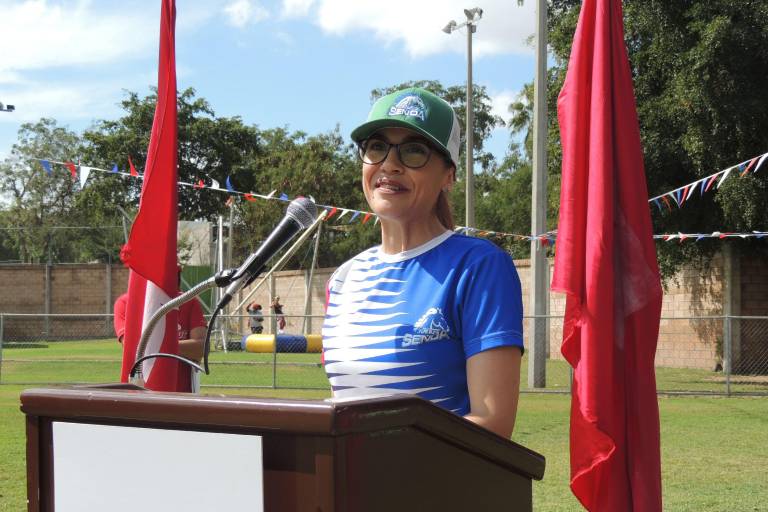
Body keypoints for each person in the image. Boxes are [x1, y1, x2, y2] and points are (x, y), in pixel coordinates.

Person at [322, 87, 524, 439]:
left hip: (433, 492)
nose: (389, 164)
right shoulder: (343, 279)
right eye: (376, 147)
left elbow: (492, 425)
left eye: (414, 150)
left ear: (449, 175)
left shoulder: (478, 267)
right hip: (350, 490)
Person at [113, 267, 207, 393]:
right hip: (137, 390)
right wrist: (174, 347)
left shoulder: (189, 302)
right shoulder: (126, 303)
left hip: (180, 394)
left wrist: (158, 347)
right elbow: (132, 346)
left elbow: (201, 348)